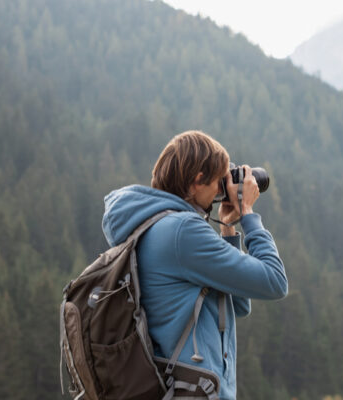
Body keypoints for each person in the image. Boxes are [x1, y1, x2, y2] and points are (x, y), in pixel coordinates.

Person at [100, 130, 288, 399]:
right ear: (197, 181)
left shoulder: (154, 226)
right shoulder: (182, 231)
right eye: (218, 182)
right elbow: (275, 282)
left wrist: (227, 230)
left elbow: (237, 305)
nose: (219, 192)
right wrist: (248, 215)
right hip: (194, 389)